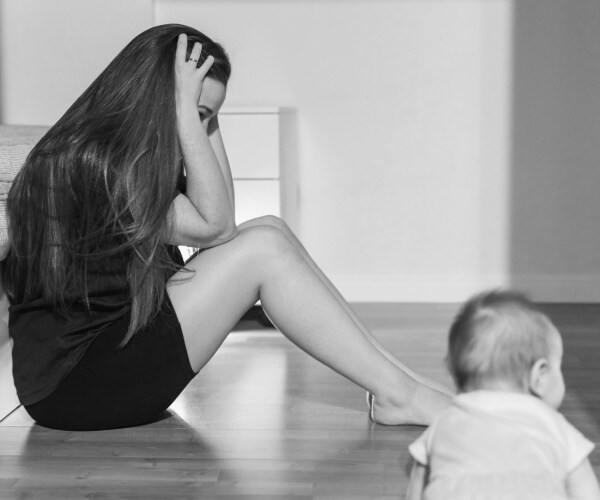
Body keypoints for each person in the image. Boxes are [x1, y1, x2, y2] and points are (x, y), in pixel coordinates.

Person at [3, 24, 451, 432]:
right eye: (195, 113)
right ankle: (402, 394)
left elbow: (225, 221)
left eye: (208, 117)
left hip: (110, 355)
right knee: (263, 249)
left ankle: (402, 386)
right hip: (80, 384)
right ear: (157, 98)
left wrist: (204, 112)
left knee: (269, 230)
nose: (199, 127)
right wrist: (185, 110)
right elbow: (216, 229)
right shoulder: (95, 166)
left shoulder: (116, 158)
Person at [406, 290, 600, 500]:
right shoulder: (557, 428)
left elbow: (416, 491)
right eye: (558, 366)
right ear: (539, 376)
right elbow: (588, 494)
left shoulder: (444, 422)